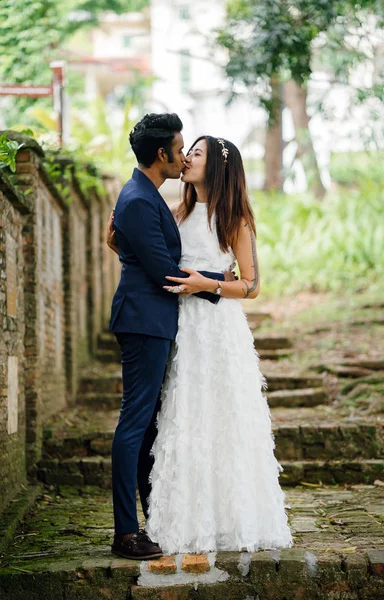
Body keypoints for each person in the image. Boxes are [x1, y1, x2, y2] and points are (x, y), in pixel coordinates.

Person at [108, 133, 292, 555]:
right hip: (179, 326)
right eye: (186, 150)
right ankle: (183, 514)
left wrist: (207, 283)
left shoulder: (235, 219)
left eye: (197, 153)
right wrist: (117, 239)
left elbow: (252, 285)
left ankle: (229, 514)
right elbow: (152, 255)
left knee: (221, 418)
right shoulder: (176, 212)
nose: (186, 157)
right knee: (181, 418)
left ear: (219, 167)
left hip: (218, 329)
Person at [108, 114, 234, 561]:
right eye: (181, 149)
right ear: (161, 154)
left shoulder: (147, 195)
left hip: (154, 321)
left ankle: (149, 520)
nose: (183, 157)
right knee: (134, 425)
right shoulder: (140, 198)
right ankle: (126, 533)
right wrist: (220, 279)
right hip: (144, 321)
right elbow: (163, 269)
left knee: (145, 427)